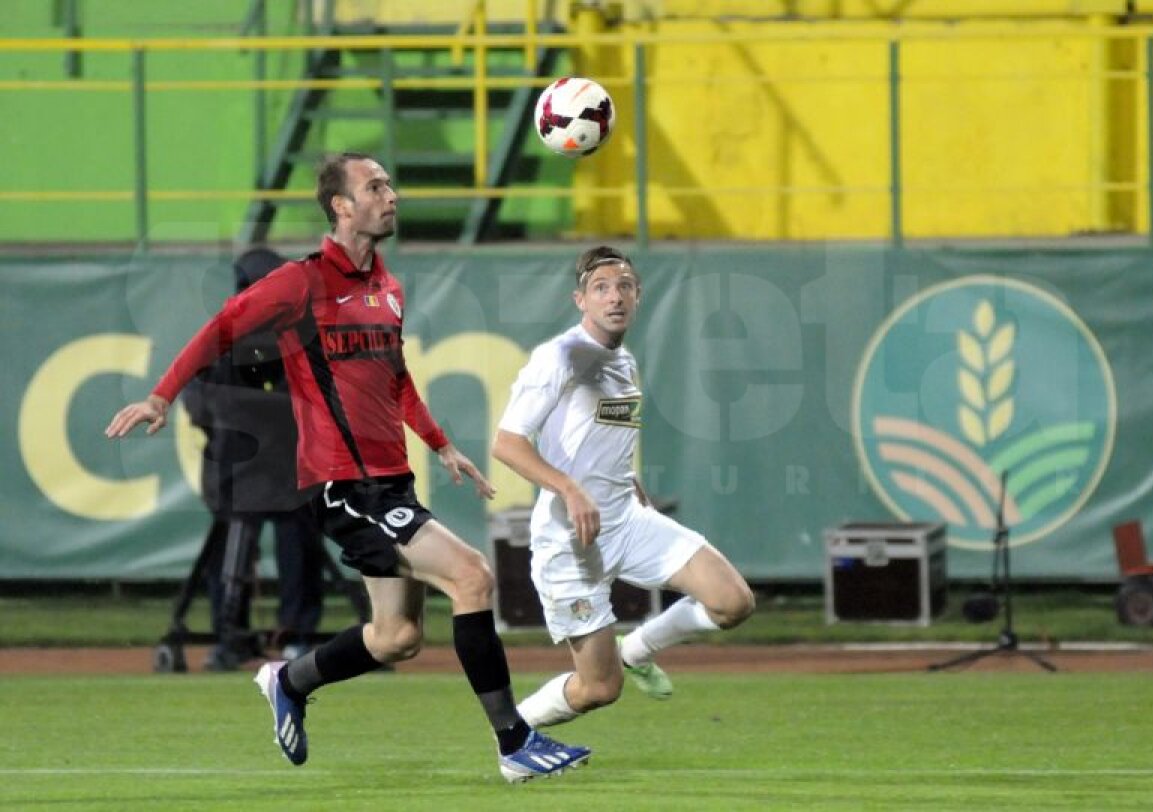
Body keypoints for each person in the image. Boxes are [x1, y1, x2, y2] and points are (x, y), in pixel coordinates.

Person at [106, 152, 590, 783]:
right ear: (341, 205)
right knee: (472, 578)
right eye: (376, 185)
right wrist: (161, 396)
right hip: (342, 486)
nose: (392, 195)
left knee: (396, 637)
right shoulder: (300, 283)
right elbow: (223, 326)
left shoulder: (387, 288)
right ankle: (514, 741)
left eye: (390, 183)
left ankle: (290, 679)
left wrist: (440, 443)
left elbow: (396, 377)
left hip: (391, 480)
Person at [491, 245, 756, 729]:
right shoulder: (559, 356)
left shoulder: (624, 361)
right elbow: (507, 444)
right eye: (601, 288)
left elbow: (598, 435)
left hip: (627, 521)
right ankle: (513, 734)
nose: (614, 297)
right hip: (571, 540)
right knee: (598, 688)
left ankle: (637, 648)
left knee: (733, 602)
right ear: (580, 300)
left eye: (624, 287)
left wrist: (627, 479)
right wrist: (570, 489)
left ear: (638, 296)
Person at [179, 247, 328, 670]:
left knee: (296, 546)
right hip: (239, 470)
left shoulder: (298, 339)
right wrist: (260, 412)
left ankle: (294, 635)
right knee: (237, 548)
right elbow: (197, 401)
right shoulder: (222, 338)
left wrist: (238, 411)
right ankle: (234, 637)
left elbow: (312, 403)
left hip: (285, 469)